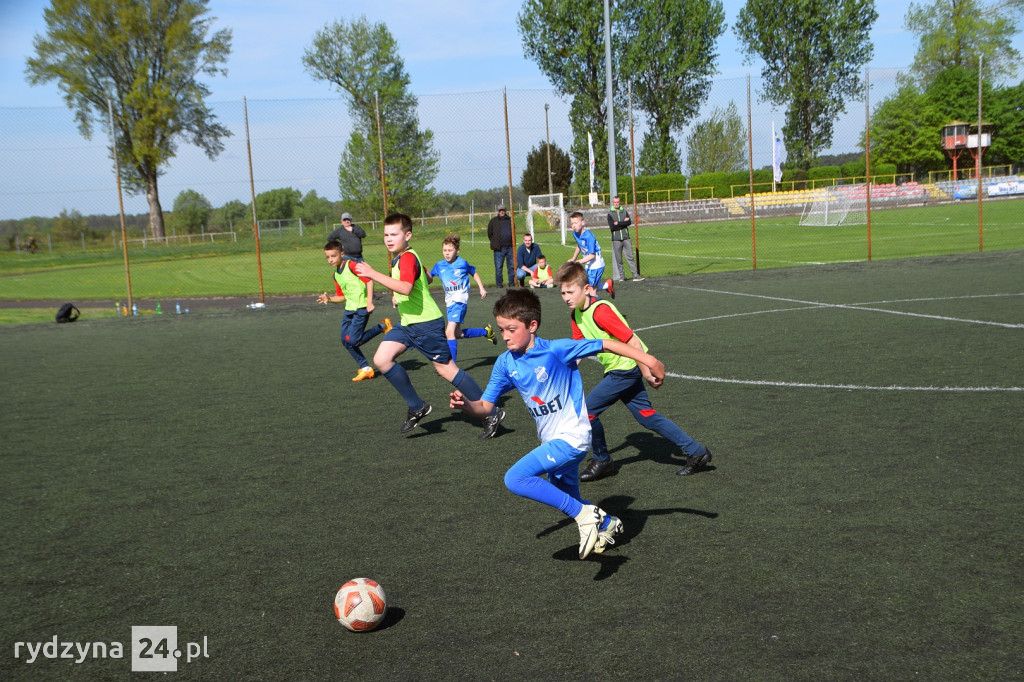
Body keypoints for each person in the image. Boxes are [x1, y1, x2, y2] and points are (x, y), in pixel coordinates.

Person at [450, 288, 668, 558]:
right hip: (551, 441)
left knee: (515, 478)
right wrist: (467, 405)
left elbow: (605, 343)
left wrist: (649, 360)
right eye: (501, 329)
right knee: (564, 494)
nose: (504, 336)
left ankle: (586, 515)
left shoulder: (557, 350)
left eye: (511, 329)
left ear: (532, 326)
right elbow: (485, 407)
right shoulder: (505, 363)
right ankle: (606, 523)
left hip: (573, 438)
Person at [555, 261, 712, 480]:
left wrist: (646, 371)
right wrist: (562, 372)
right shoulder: (576, 315)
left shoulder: (601, 312)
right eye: (563, 293)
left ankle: (602, 460)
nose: (566, 297)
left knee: (586, 412)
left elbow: (633, 342)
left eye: (570, 292)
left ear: (587, 288)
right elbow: (579, 349)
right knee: (647, 416)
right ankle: (697, 452)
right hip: (618, 370)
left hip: (624, 370)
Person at [354, 213, 504, 438]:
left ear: (408, 235)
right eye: (386, 234)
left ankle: (490, 411)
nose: (389, 239)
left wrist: (372, 274)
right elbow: (422, 281)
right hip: (408, 323)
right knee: (382, 359)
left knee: (446, 369)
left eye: (394, 234)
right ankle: (417, 406)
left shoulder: (407, 257)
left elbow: (406, 287)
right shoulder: (402, 257)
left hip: (425, 324)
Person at [316, 240, 392, 382]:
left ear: (342, 253)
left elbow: (369, 281)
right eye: (327, 257)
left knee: (353, 341)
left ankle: (382, 327)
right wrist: (329, 298)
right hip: (349, 310)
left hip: (361, 308)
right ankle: (365, 368)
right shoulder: (336, 275)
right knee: (345, 340)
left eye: (333, 256)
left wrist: (369, 302)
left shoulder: (351, 265)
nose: (330, 259)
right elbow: (341, 296)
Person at [428, 234, 497, 362]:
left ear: (457, 251)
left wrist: (481, 287)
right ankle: (485, 332)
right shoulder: (439, 265)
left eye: (450, 250)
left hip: (459, 302)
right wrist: (422, 271)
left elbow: (473, 272)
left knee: (449, 332)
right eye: (444, 250)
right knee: (457, 333)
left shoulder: (462, 263)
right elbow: (429, 279)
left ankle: (452, 365)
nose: (447, 253)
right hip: (450, 303)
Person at [567, 211, 615, 299]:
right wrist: (573, 258)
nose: (573, 225)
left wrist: (579, 262)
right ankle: (607, 284)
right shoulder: (575, 234)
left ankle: (599, 305)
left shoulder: (589, 236)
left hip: (596, 265)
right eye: (572, 223)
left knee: (590, 291)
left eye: (576, 223)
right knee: (587, 286)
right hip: (588, 264)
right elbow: (579, 245)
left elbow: (592, 255)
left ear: (583, 223)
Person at [607, 196, 643, 282]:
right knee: (619, 260)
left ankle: (635, 276)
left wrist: (618, 223)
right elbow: (612, 227)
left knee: (630, 257)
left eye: (618, 202)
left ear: (619, 202)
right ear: (613, 203)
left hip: (626, 238)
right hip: (616, 239)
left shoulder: (624, 211)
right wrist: (623, 223)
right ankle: (622, 277)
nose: (616, 203)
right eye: (615, 202)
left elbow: (629, 222)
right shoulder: (610, 214)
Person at [487, 206, 514, 288]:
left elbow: (514, 230)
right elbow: (489, 233)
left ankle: (511, 283)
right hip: (499, 249)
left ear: (505, 211)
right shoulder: (493, 221)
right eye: (500, 210)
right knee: (498, 267)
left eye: (503, 210)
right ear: (498, 211)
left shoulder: (510, 220)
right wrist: (494, 242)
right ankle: (499, 284)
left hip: (510, 247)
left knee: (511, 267)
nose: (501, 211)